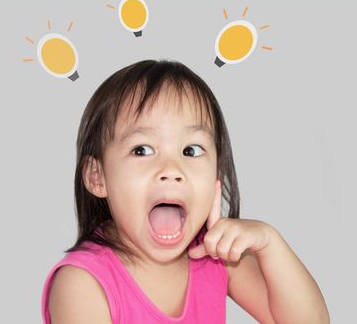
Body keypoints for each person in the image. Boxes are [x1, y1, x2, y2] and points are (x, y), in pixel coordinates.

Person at [41, 60, 329, 323]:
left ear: (217, 172)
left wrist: (270, 244)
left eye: (191, 150)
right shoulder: (81, 283)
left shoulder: (215, 257)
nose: (171, 168)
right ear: (97, 177)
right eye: (142, 150)